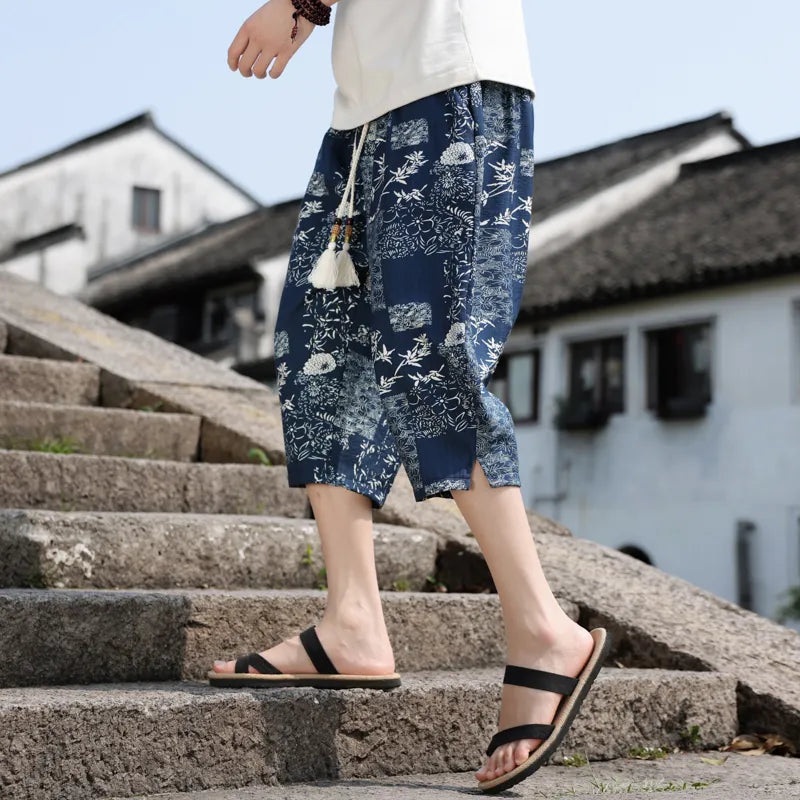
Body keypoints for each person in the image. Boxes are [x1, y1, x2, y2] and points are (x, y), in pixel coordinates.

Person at [210, 0, 610, 792]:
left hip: (450, 80)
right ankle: (353, 619)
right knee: (321, 353)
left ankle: (543, 630)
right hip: (368, 107)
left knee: (432, 360)